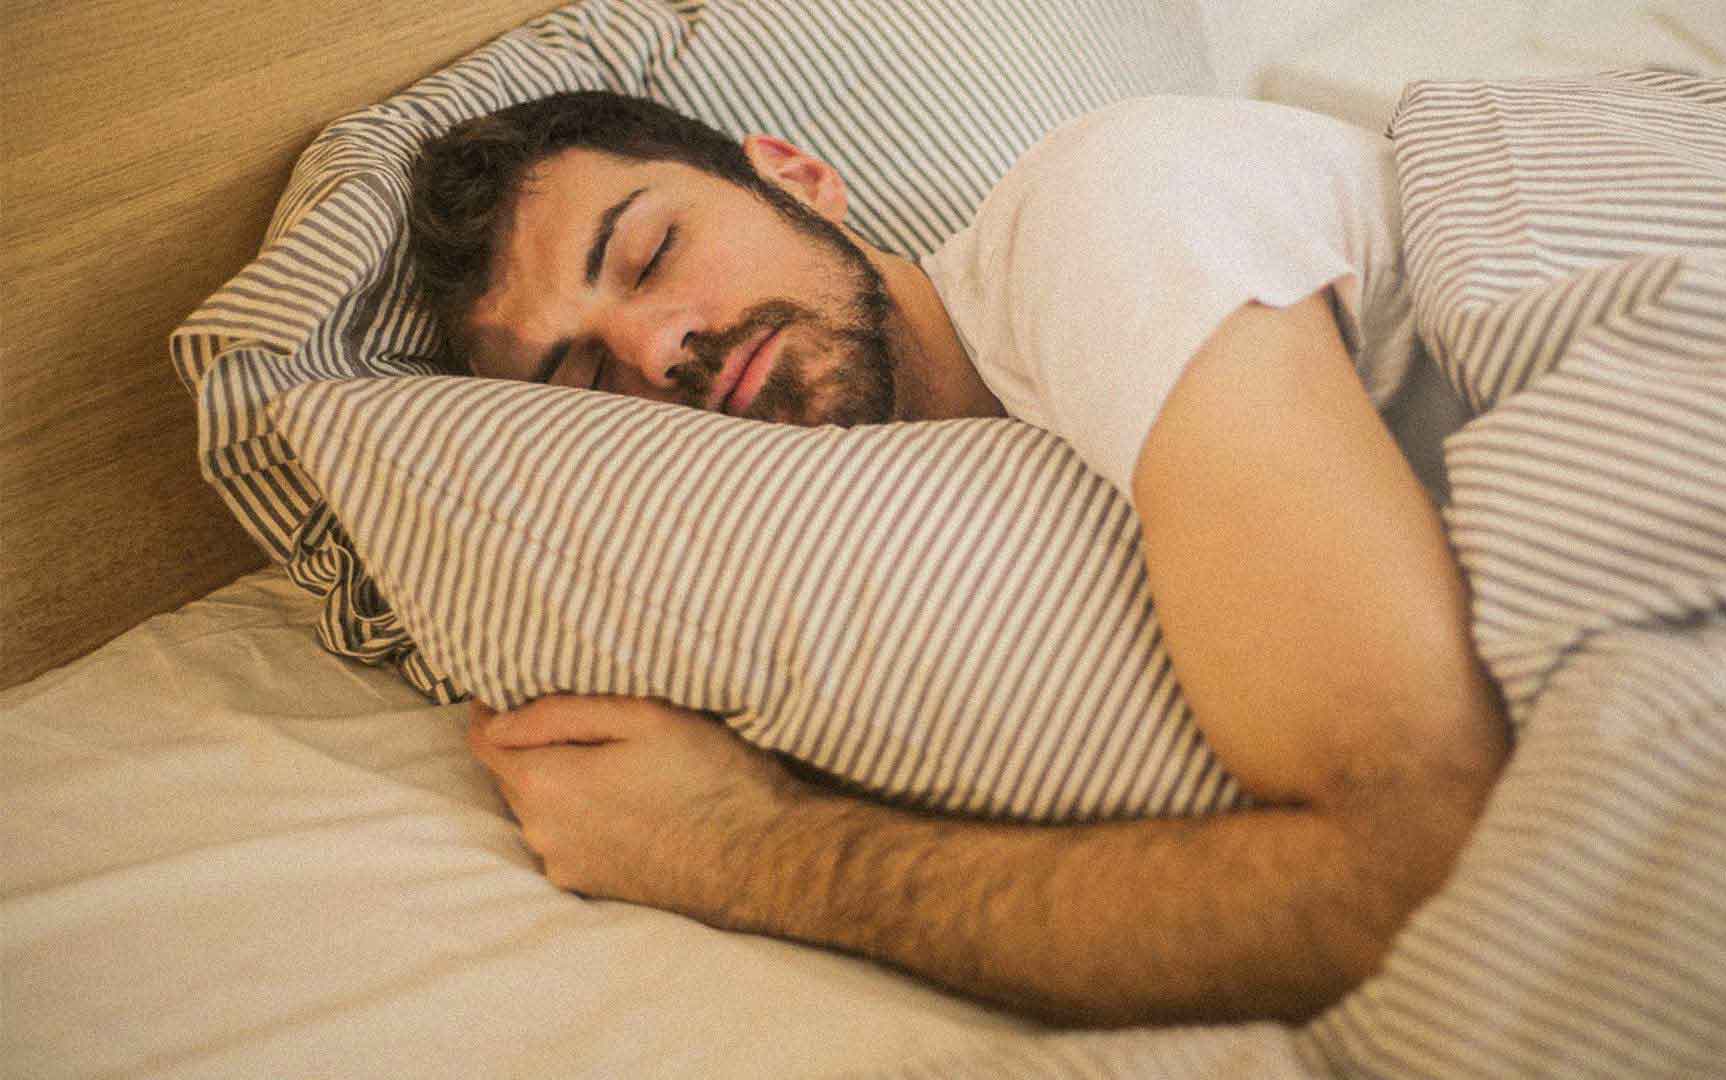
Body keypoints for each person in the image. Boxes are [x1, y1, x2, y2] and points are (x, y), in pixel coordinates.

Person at [407, 90, 1508, 1026]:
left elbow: (1424, 869)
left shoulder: (1104, 216)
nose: (656, 349)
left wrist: (738, 850)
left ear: (795, 177)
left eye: (651, 253)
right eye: (589, 380)